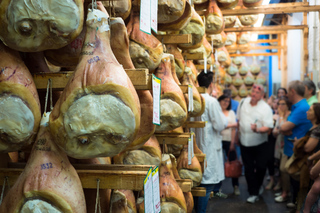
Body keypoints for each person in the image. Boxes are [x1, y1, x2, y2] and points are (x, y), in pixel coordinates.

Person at [193, 71, 227, 213]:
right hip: (208, 146)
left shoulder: (193, 98)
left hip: (193, 146)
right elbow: (220, 124)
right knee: (206, 185)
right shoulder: (211, 101)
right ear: (211, 84)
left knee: (196, 180)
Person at [236, 84, 274, 203]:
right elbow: (239, 121)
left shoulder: (265, 108)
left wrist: (257, 129)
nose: (254, 94)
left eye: (257, 93)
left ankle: (257, 186)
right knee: (248, 168)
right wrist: (237, 137)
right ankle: (253, 192)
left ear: (262, 95)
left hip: (260, 143)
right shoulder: (243, 102)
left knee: (261, 167)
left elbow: (268, 126)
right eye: (252, 91)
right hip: (244, 141)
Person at [280, 80, 313, 210]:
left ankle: (297, 204)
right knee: (292, 176)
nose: (287, 94)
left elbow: (284, 126)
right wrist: (284, 128)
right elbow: (285, 127)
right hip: (292, 148)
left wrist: (284, 128)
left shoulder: (301, 108)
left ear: (292, 92)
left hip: (298, 151)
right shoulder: (297, 106)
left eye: (288, 92)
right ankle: (295, 202)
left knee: (297, 179)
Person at [297, 103, 320, 213]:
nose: (307, 111)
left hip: (313, 162)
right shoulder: (314, 127)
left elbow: (307, 148)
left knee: (311, 188)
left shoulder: (317, 130)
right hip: (313, 161)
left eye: (310, 110)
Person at [218, 94, 239, 195]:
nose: (225, 103)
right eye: (224, 100)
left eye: (227, 101)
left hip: (228, 140)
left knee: (233, 163)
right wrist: (228, 125)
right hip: (217, 140)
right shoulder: (216, 112)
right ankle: (218, 189)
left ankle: (236, 186)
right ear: (220, 101)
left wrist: (232, 142)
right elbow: (217, 126)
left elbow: (234, 127)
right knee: (218, 165)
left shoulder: (231, 112)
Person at [273, 97, 292, 202]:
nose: (280, 106)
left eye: (283, 104)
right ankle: (285, 190)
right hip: (279, 143)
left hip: (287, 144)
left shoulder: (289, 115)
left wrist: (280, 129)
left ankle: (286, 192)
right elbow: (275, 131)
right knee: (281, 167)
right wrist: (280, 130)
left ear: (288, 104)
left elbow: (285, 129)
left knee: (283, 168)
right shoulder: (279, 115)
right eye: (279, 104)